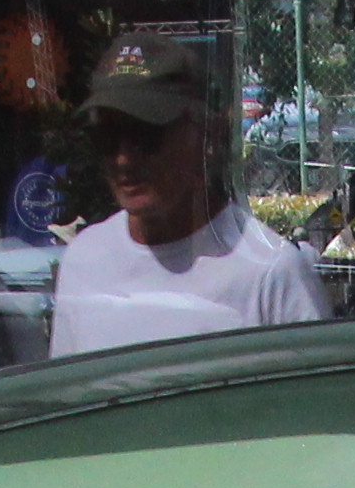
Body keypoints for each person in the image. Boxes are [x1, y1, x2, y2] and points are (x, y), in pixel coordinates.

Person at [47, 32, 327, 358]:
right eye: (107, 137)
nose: (124, 159)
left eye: (145, 136)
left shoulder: (270, 274)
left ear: (204, 135)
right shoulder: (84, 262)